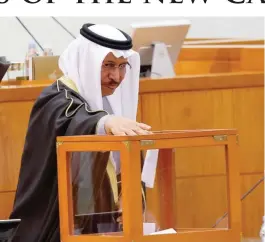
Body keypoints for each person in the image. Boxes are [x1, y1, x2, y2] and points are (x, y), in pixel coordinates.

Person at [9, 23, 151, 242]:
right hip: (59, 221)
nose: (117, 76)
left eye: (123, 66)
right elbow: (72, 119)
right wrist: (104, 122)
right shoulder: (56, 99)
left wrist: (130, 194)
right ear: (87, 63)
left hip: (103, 220)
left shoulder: (110, 102)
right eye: (109, 65)